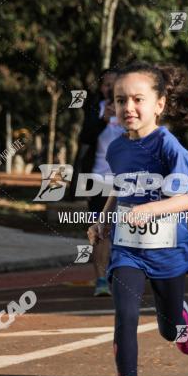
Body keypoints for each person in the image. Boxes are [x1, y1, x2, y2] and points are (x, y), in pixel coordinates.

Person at [87, 62, 188, 376]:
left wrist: (152, 208)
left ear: (159, 103)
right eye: (121, 99)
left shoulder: (169, 146)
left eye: (138, 99)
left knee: (170, 330)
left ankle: (179, 317)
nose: (129, 108)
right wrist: (103, 219)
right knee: (124, 313)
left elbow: (187, 200)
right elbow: (120, 189)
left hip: (167, 249)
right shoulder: (117, 149)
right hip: (128, 248)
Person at [73, 69, 120, 296]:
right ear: (101, 88)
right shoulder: (95, 110)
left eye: (114, 84)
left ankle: (125, 274)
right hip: (99, 180)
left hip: (128, 181)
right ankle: (101, 280)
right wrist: (103, 119)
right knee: (101, 231)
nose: (110, 89)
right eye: (106, 85)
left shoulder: (132, 110)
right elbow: (85, 137)